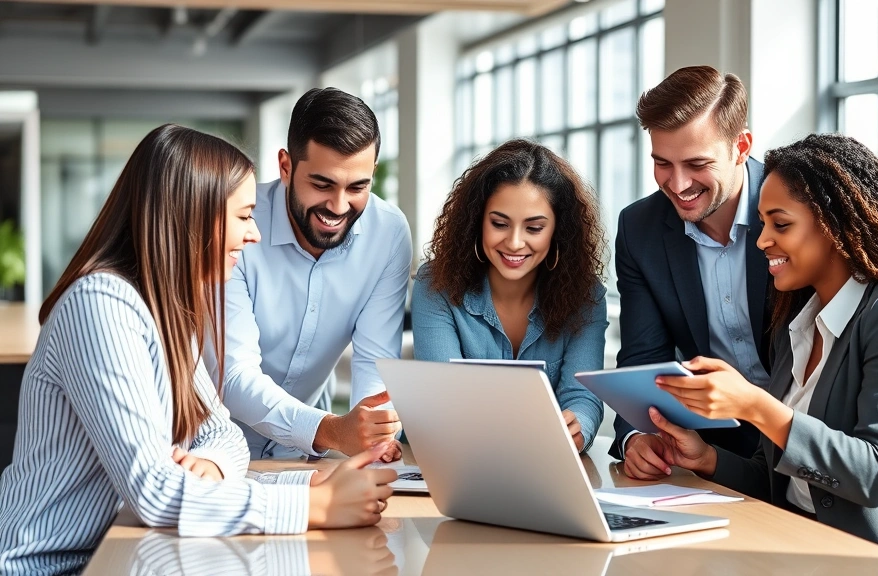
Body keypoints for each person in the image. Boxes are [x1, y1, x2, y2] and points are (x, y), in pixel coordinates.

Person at [0, 125, 397, 575]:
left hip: (118, 553)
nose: (254, 236)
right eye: (244, 216)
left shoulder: (164, 309)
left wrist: (214, 464)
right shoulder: (101, 305)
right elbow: (154, 490)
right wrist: (315, 504)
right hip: (40, 566)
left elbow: (223, 436)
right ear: (191, 216)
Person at [645, 133, 878, 566]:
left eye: (780, 224)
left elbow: (875, 476)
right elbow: (788, 481)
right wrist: (707, 459)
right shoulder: (799, 322)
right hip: (803, 551)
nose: (763, 240)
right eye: (763, 223)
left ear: (835, 225)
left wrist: (754, 405)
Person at [204, 87, 413, 462]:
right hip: (214, 446)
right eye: (322, 184)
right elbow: (232, 374)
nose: (338, 206)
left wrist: (373, 436)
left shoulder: (389, 233)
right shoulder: (238, 224)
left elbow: (376, 362)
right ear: (286, 167)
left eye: (357, 187)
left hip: (302, 454)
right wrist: (332, 430)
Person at [612, 66, 770, 475]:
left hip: (808, 438)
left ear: (741, 147)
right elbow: (643, 360)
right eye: (662, 162)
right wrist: (637, 435)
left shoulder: (793, 209)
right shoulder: (639, 229)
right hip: (714, 451)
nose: (678, 184)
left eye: (697, 163)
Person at [412, 140, 606, 452]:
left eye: (534, 228)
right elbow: (443, 400)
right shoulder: (436, 285)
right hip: (453, 457)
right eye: (499, 224)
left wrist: (578, 425)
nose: (515, 243)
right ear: (477, 221)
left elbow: (581, 395)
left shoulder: (586, 297)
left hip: (542, 465)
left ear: (558, 230)